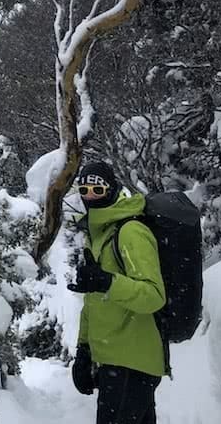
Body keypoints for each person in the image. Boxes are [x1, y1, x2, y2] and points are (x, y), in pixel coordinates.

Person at [69, 161, 166, 424]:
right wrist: (84, 350)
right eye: (84, 189)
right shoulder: (99, 234)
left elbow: (153, 295)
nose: (90, 196)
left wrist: (108, 282)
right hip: (114, 362)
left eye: (97, 190)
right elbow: (93, 302)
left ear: (112, 191)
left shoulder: (130, 232)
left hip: (132, 363)